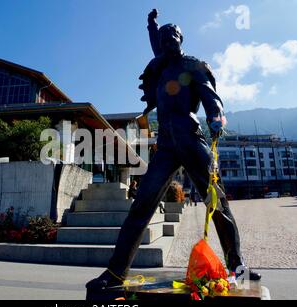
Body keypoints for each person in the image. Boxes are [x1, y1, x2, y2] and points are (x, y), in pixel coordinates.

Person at [86, 9, 261, 292]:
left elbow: (209, 95)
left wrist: (216, 115)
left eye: (174, 36)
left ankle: (236, 266)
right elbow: (157, 43)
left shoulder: (192, 66)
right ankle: (116, 272)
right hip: (165, 144)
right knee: (141, 204)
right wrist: (150, 25)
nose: (168, 40)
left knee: (217, 201)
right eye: (164, 37)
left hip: (191, 138)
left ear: (182, 39)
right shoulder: (160, 68)